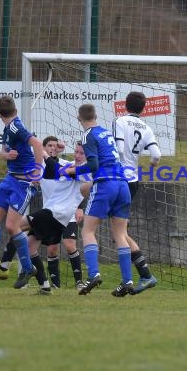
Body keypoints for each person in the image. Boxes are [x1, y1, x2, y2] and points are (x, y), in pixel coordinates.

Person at [0, 95, 44, 289]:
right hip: (10, 179)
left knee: (12, 227)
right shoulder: (8, 128)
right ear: (15, 110)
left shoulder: (16, 127)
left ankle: (28, 269)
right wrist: (7, 154)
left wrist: (37, 172)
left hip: (23, 183)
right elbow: (3, 152)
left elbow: (37, 144)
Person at [64, 103, 134, 297]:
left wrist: (74, 170)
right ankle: (127, 280)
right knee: (120, 234)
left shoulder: (88, 135)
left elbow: (94, 165)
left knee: (88, 230)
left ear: (79, 118)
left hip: (106, 184)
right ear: (95, 115)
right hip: (123, 184)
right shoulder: (106, 132)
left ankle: (93, 274)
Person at [21, 139, 92, 294]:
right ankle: (50, 285)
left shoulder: (80, 169)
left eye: (82, 153)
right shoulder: (47, 166)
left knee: (69, 245)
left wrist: (79, 208)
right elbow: (50, 169)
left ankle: (7, 266)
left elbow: (64, 174)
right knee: (47, 248)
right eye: (77, 152)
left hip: (63, 215)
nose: (78, 155)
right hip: (49, 212)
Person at [113, 91, 161, 294]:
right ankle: (144, 274)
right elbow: (156, 155)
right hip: (133, 181)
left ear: (125, 105)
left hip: (118, 179)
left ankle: (142, 275)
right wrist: (150, 165)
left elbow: (120, 148)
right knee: (121, 232)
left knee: (118, 232)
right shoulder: (147, 128)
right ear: (143, 108)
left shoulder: (119, 121)